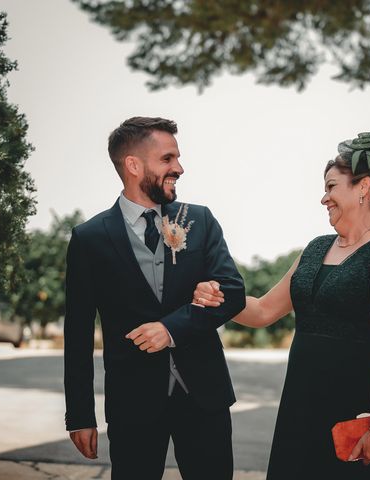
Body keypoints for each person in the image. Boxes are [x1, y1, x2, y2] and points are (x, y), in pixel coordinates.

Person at [193, 132, 370, 479]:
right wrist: (219, 298)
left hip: (355, 416)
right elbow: (263, 311)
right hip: (300, 407)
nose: (324, 198)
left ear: (364, 189)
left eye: (331, 187)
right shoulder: (315, 249)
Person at [63, 116, 245, 480]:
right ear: (133, 165)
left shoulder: (200, 220)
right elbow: (78, 332)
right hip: (133, 402)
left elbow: (233, 292)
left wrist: (170, 328)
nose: (179, 167)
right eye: (167, 159)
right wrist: (81, 415)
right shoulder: (89, 238)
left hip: (204, 396)